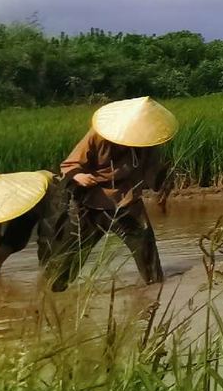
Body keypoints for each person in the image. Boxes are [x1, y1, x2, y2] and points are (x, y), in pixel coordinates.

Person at [52, 96, 176, 289]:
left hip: (127, 200)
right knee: (72, 253)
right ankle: (55, 290)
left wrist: (163, 182)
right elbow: (71, 164)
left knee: (146, 250)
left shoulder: (146, 143)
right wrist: (79, 177)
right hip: (92, 201)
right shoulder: (97, 136)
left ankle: (154, 288)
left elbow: (153, 175)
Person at [0, 170, 64, 284]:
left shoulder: (15, 194)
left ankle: (48, 278)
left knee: (50, 238)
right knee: (14, 236)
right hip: (25, 196)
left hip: (48, 190)